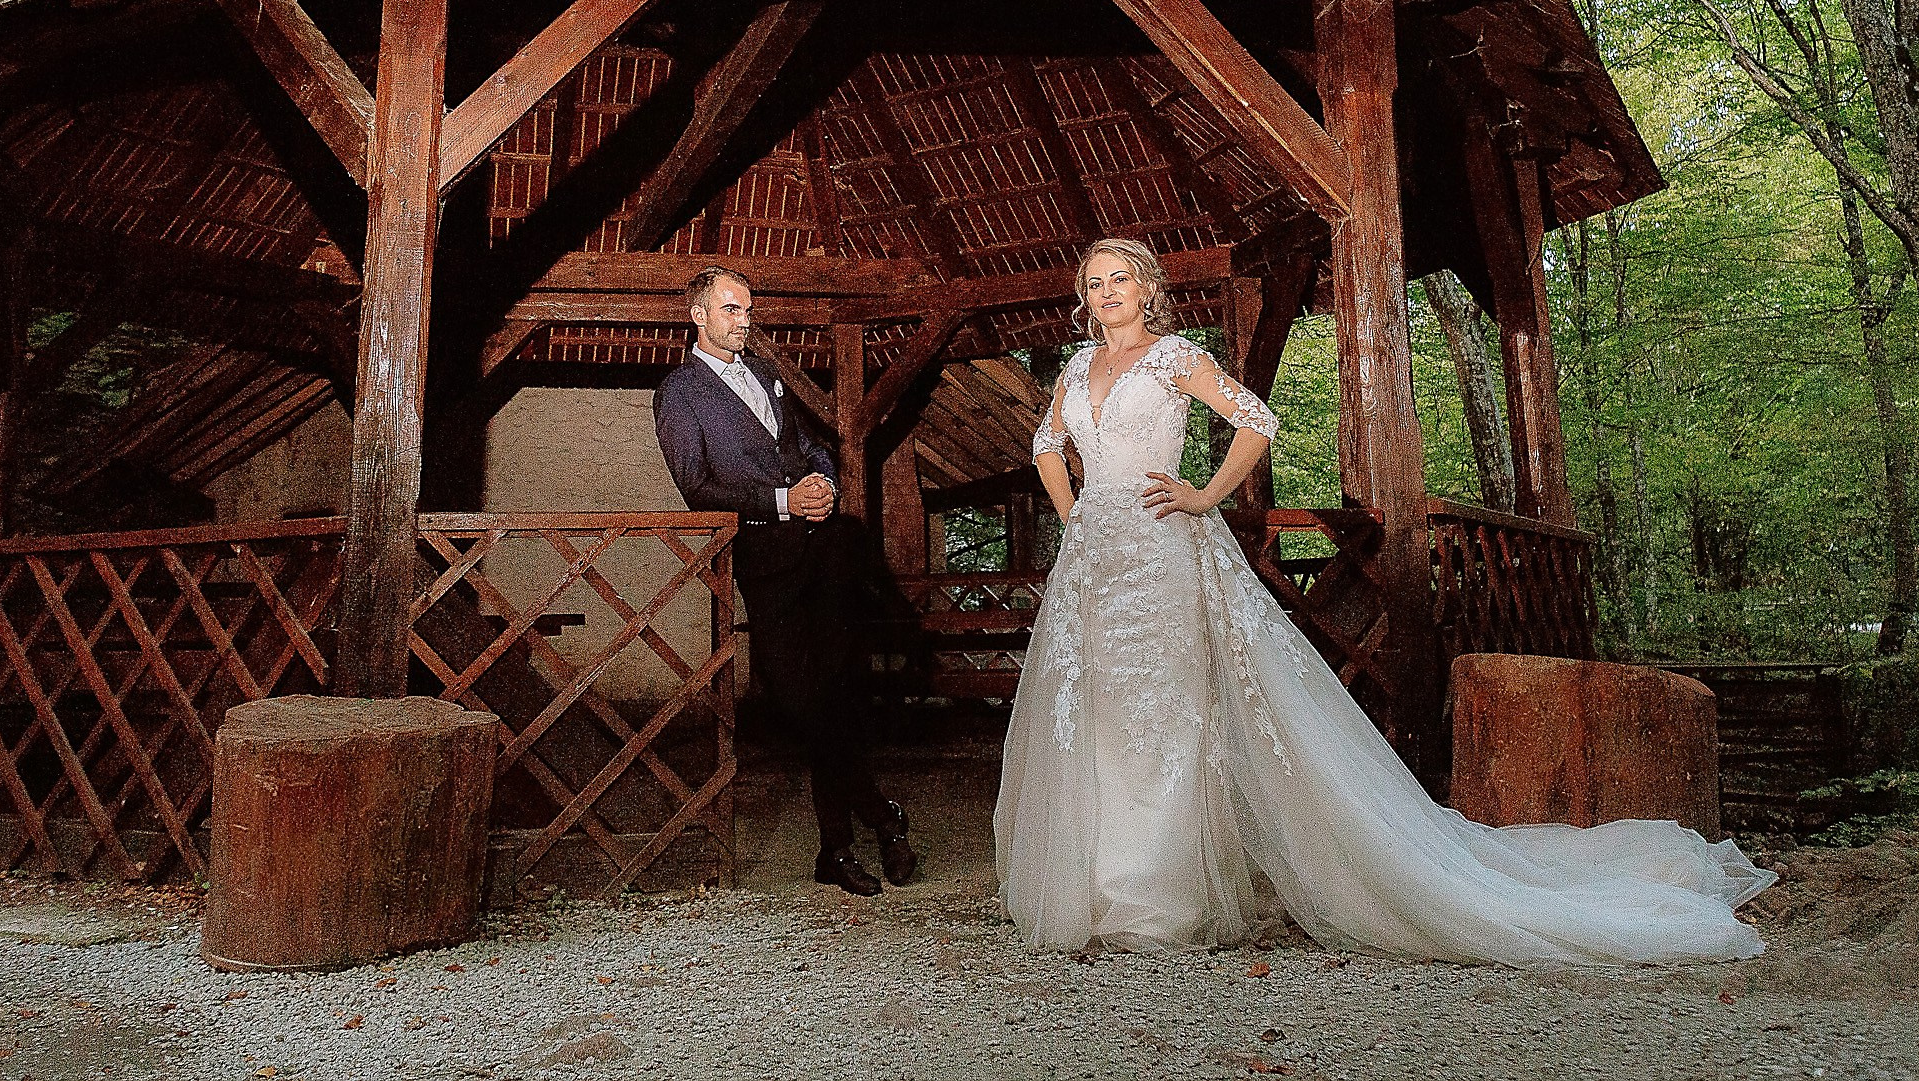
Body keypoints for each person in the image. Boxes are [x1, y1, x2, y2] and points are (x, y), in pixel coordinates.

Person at [994, 236, 1774, 963]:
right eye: (1094, 285)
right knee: (1101, 714)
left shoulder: (1174, 357)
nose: (1106, 294)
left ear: (1149, 288)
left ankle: (1156, 900)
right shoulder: (1074, 367)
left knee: (1164, 714)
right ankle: (1099, 888)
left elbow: (1256, 420)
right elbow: (1044, 443)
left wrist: (1203, 497)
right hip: (1096, 561)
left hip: (1164, 556)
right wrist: (1077, 511)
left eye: (1119, 279)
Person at [654, 265, 917, 896]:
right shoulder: (679, 392)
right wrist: (781, 500)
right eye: (731, 309)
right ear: (700, 315)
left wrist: (822, 482)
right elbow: (697, 486)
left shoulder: (769, 377)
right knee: (805, 704)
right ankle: (884, 817)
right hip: (766, 564)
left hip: (825, 557)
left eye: (747, 308)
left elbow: (810, 445)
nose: (744, 318)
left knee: (834, 695)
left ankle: (837, 850)